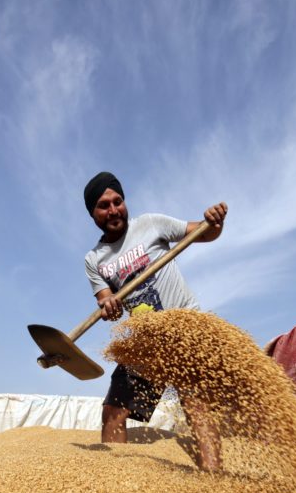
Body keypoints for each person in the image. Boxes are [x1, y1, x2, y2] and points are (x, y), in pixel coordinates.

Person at [83, 171, 227, 472]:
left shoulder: (150, 224)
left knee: (196, 403)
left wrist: (214, 223)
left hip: (186, 326)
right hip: (146, 340)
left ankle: (214, 479)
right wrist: (109, 305)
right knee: (113, 411)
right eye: (103, 206)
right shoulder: (94, 259)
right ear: (92, 213)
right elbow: (107, 301)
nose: (113, 210)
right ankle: (115, 478)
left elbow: (203, 232)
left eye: (117, 201)